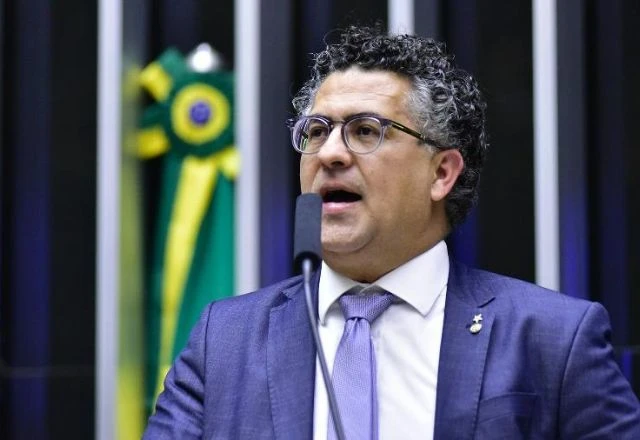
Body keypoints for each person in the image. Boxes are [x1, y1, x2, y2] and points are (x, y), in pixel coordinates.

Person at [143, 25, 640, 439]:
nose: (329, 154)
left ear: (441, 173)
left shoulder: (554, 340)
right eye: (316, 131)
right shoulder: (224, 339)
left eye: (365, 131)